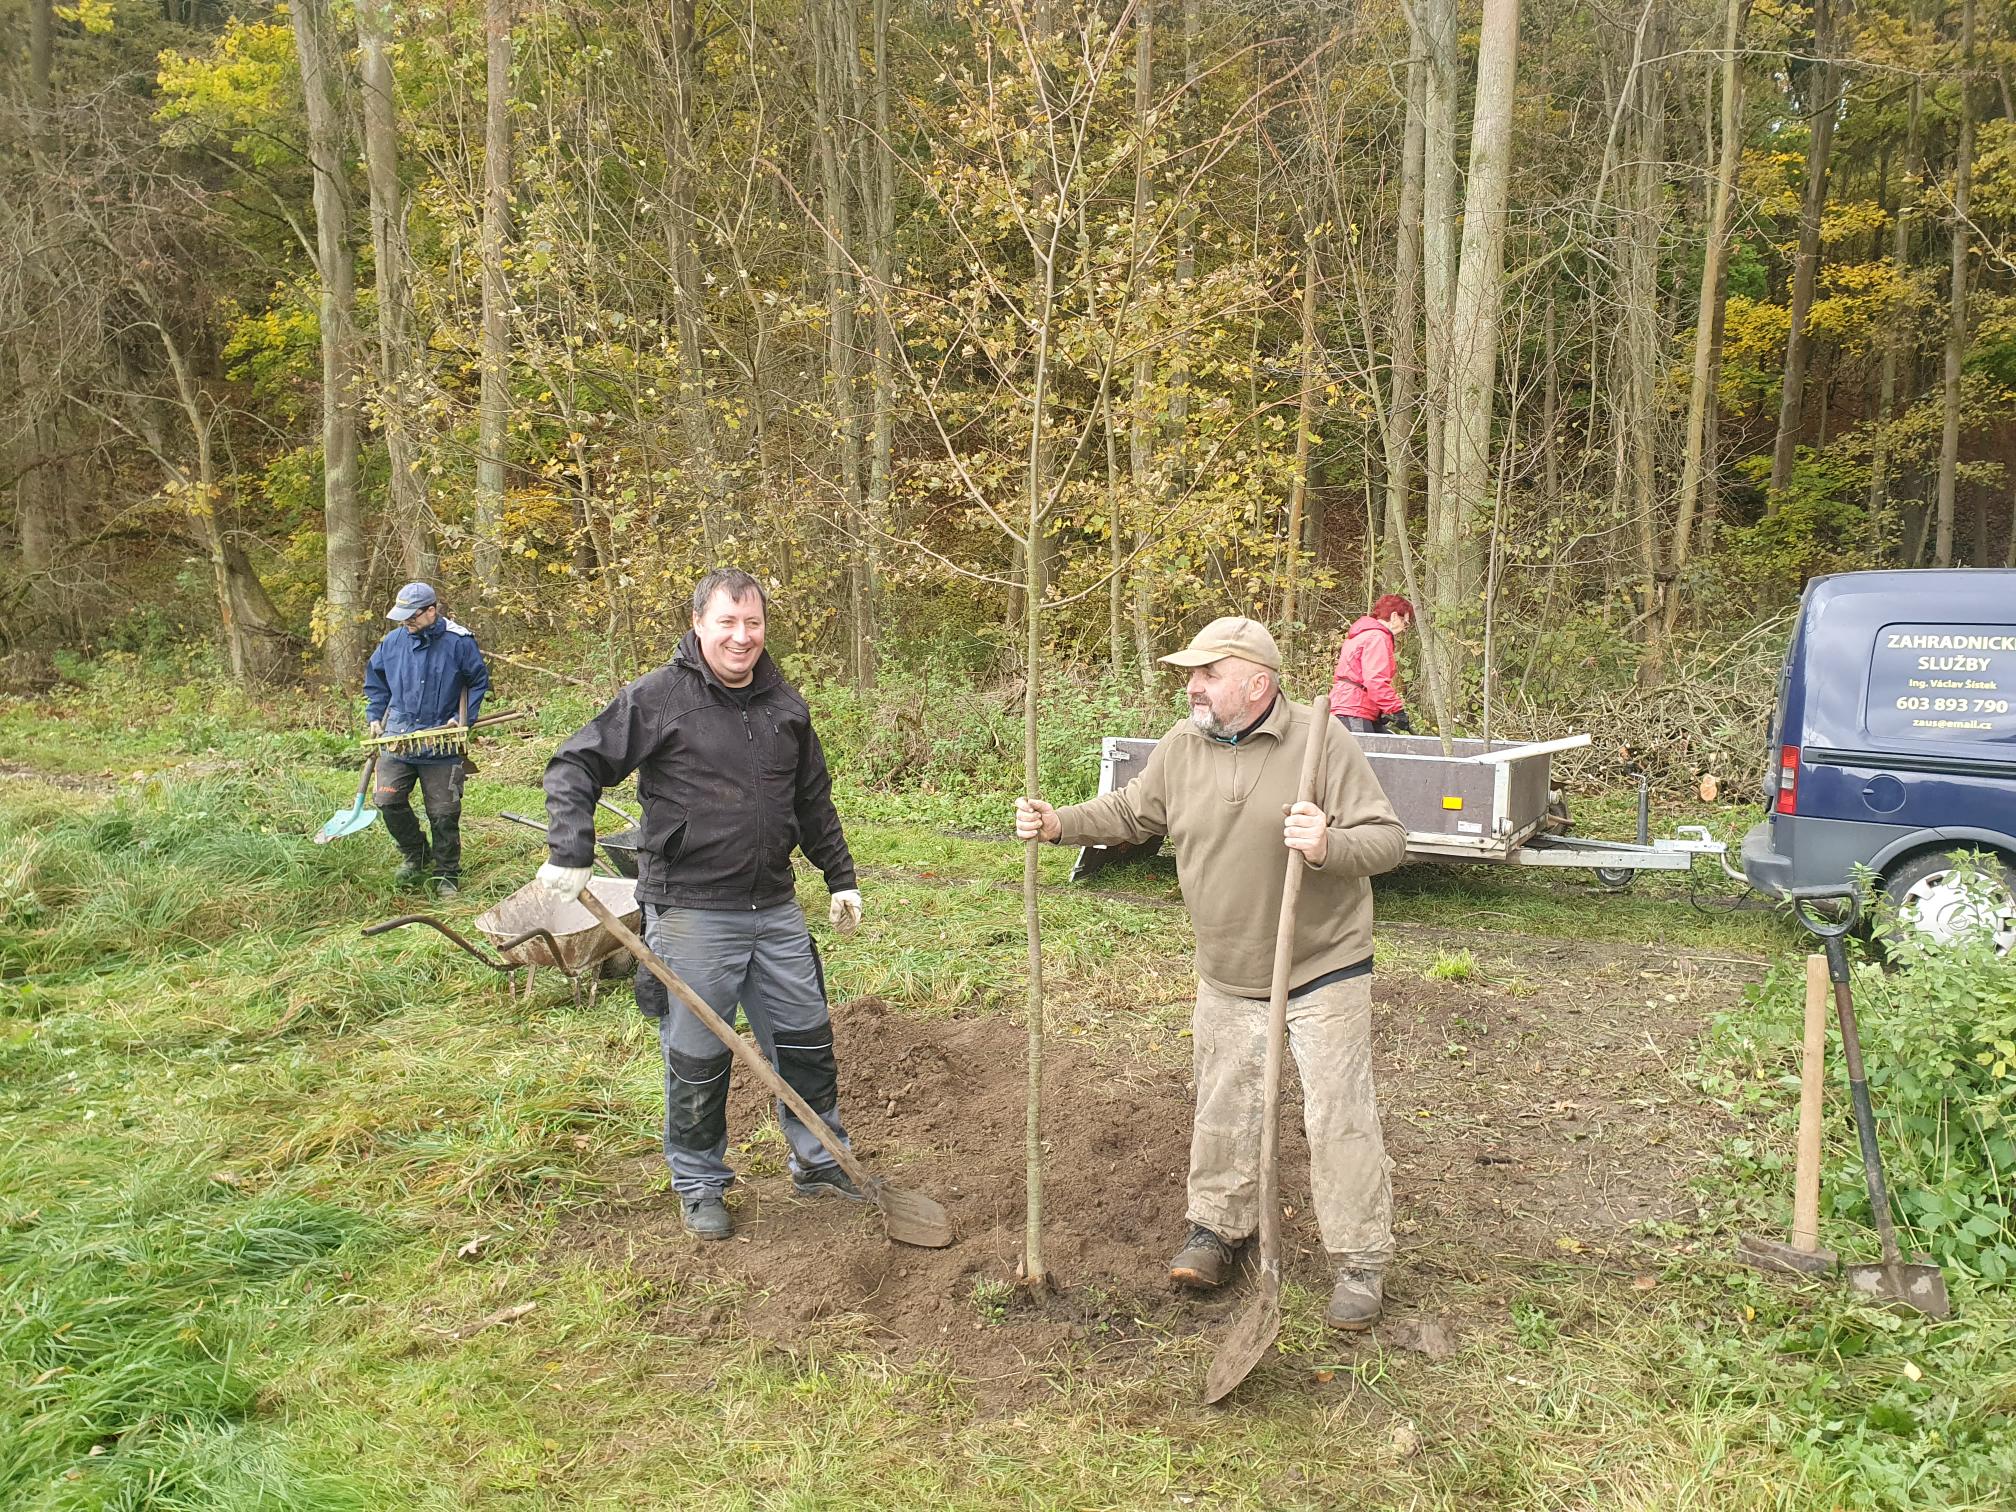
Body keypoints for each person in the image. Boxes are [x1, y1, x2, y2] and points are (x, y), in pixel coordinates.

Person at [1014, 616, 1408, 1329]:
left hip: (1323, 963)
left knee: (1338, 1115)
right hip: (1227, 969)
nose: (1193, 685)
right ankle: (1219, 1230)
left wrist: (1328, 844)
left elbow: (1387, 840)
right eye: (1190, 674)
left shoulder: (1322, 741)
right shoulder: (1182, 745)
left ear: (1257, 684)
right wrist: (1058, 823)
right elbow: (1131, 812)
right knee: (1224, 1105)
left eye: (1208, 673)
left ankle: (1359, 1260)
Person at [535, 569, 866, 1242]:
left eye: (753, 623)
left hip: (774, 907)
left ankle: (820, 1161)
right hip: (691, 911)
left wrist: (840, 877)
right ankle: (700, 1184)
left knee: (806, 1040)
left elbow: (813, 801)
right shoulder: (660, 697)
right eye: (727, 623)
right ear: (698, 624)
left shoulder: (785, 706)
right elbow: (575, 765)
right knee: (697, 1058)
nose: (742, 637)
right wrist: (570, 849)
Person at [363, 581, 490, 898]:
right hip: (399, 736)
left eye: (412, 616)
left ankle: (447, 872)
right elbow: (376, 682)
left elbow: (477, 681)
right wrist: (375, 715)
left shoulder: (459, 642)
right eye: (402, 616)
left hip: (442, 739)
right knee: (387, 800)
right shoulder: (392, 642)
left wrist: (462, 718)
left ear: (432, 611)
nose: (406, 622)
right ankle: (416, 854)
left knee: (444, 812)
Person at [1331, 593, 1415, 734]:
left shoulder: (1362, 635)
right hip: (1354, 709)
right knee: (1363, 748)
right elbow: (1375, 680)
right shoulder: (1378, 637)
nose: (1404, 628)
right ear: (1394, 616)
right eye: (1404, 622)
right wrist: (1397, 710)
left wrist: (1380, 710)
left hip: (1349, 706)